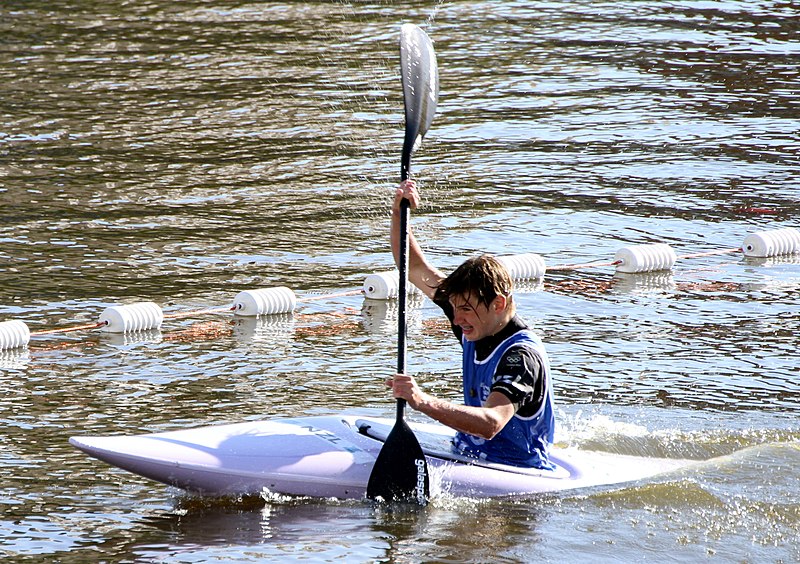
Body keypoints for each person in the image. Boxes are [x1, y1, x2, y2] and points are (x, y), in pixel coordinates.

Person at [386, 179, 556, 469]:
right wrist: (400, 212)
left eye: (464, 309)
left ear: (498, 304)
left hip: (516, 470)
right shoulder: (474, 320)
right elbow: (413, 268)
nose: (455, 319)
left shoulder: (521, 358)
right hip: (468, 455)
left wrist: (421, 401)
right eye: (452, 307)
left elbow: (491, 423)